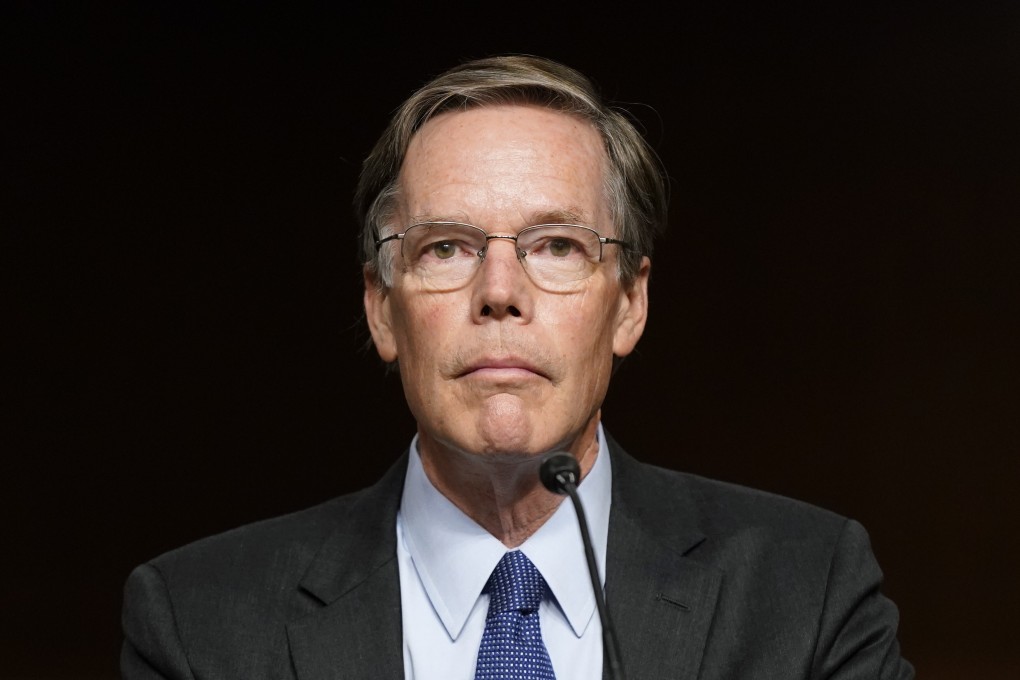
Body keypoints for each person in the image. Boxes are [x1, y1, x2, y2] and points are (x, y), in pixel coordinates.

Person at [121, 55, 913, 679]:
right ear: (380, 306)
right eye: (447, 248)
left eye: (557, 246)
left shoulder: (806, 594)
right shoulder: (198, 621)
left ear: (630, 303)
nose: (500, 292)